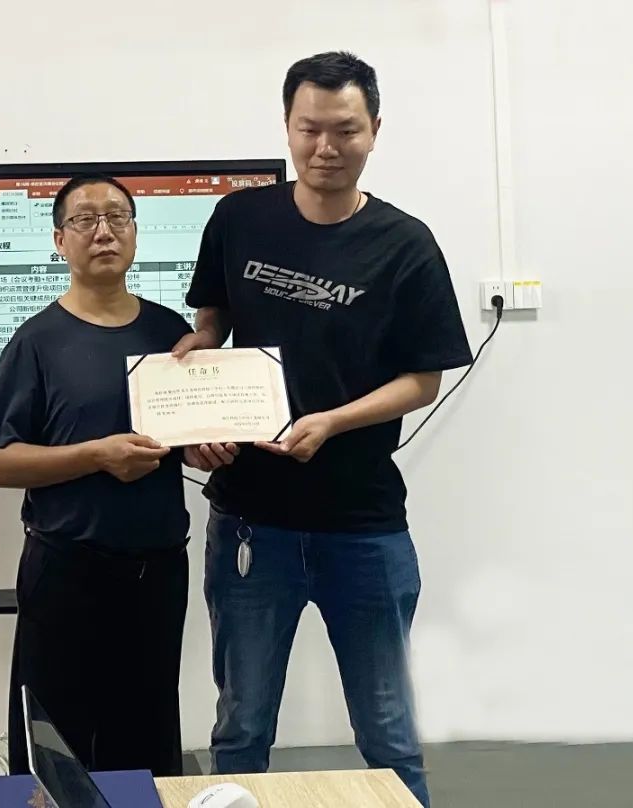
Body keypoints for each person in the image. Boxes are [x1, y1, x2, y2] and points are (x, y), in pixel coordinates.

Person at [172, 51, 474, 806]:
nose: (326, 147)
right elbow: (211, 325)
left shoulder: (405, 243)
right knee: (241, 727)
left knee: (388, 732)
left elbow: (424, 379)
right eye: (310, 128)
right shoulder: (239, 219)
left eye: (345, 129)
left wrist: (333, 422)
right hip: (250, 521)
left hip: (362, 524)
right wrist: (193, 394)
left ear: (375, 130)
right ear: (287, 126)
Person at [0, 174, 194, 777]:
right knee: (53, 749)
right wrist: (96, 455)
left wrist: (205, 449)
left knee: (146, 745)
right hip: (66, 571)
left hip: (157, 572)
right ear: (59, 240)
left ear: (134, 233)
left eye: (118, 217)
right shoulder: (37, 342)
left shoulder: (170, 334)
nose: (104, 232)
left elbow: (185, 439)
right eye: (85, 219)